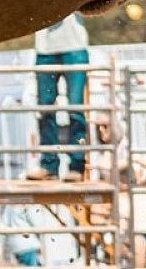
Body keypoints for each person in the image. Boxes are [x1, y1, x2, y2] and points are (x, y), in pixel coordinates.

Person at [27, 14, 89, 182]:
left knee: (76, 109)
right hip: (44, 50)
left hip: (75, 48)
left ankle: (77, 167)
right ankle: (49, 166)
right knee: (45, 109)